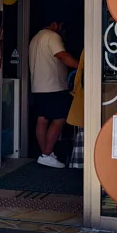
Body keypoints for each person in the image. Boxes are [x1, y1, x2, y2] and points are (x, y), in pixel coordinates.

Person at [29, 19, 80, 168]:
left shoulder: (35, 38)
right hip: (53, 86)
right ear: (55, 24)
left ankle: (46, 154)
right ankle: (46, 154)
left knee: (42, 120)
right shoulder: (52, 36)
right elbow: (62, 56)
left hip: (38, 86)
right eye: (61, 26)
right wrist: (82, 65)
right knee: (59, 120)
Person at [66, 50, 86, 169]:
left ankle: (79, 164)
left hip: (86, 96)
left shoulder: (89, 47)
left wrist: (75, 91)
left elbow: (79, 75)